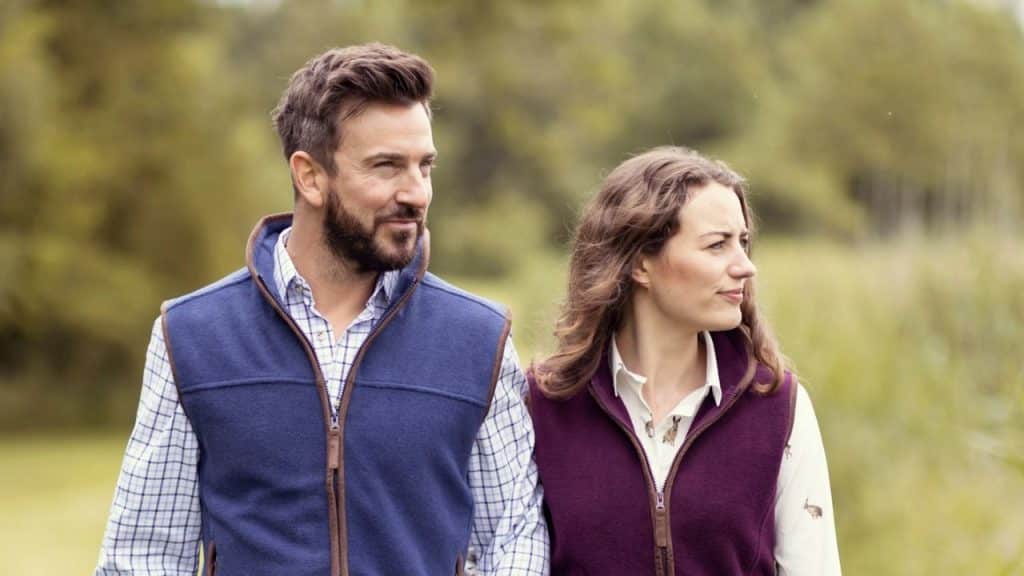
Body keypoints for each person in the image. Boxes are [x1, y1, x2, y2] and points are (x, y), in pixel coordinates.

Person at [95, 43, 549, 576]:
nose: (417, 193)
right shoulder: (191, 336)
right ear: (309, 176)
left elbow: (515, 539)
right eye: (386, 166)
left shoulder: (480, 339)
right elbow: (143, 556)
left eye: (424, 166)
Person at [528, 147, 841, 575]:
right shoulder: (542, 405)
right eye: (717, 245)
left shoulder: (777, 406)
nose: (745, 266)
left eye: (743, 242)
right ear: (640, 263)